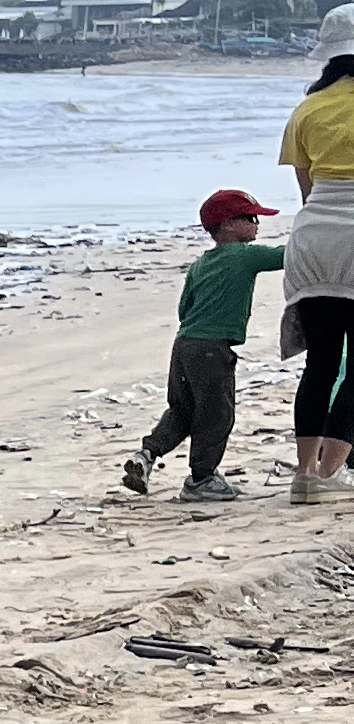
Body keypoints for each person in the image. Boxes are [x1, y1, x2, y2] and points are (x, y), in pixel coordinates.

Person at [121, 192, 286, 506]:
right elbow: (290, 256)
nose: (257, 224)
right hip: (212, 348)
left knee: (183, 410)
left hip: (184, 345)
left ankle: (146, 454)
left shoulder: (200, 264)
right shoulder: (244, 255)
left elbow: (185, 308)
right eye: (250, 218)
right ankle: (202, 479)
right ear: (227, 225)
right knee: (217, 414)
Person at [280, 55, 354, 502]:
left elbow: (306, 189)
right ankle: (331, 473)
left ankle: (304, 474)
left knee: (321, 364)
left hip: (311, 240)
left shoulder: (308, 108)